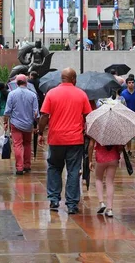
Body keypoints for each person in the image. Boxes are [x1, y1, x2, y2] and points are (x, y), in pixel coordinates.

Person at [38, 68, 92, 214]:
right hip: (75, 140)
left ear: (62, 78)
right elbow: (88, 116)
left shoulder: (51, 93)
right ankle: (72, 204)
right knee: (73, 171)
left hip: (56, 139)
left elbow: (44, 116)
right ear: (74, 79)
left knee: (54, 168)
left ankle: (54, 199)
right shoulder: (81, 94)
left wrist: (40, 132)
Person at [4, 74, 39, 175]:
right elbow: (36, 112)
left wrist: (6, 122)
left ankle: (19, 167)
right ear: (26, 82)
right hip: (28, 124)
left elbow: (7, 111)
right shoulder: (32, 95)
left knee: (17, 144)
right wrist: (37, 125)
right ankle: (27, 165)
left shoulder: (12, 94)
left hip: (15, 124)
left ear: (16, 83)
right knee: (27, 144)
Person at [88, 140, 123, 217]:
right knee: (110, 182)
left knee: (98, 179)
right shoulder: (116, 131)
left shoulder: (97, 131)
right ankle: (110, 209)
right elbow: (120, 147)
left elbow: (91, 145)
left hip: (101, 157)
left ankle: (101, 203)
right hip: (113, 157)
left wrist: (90, 160)